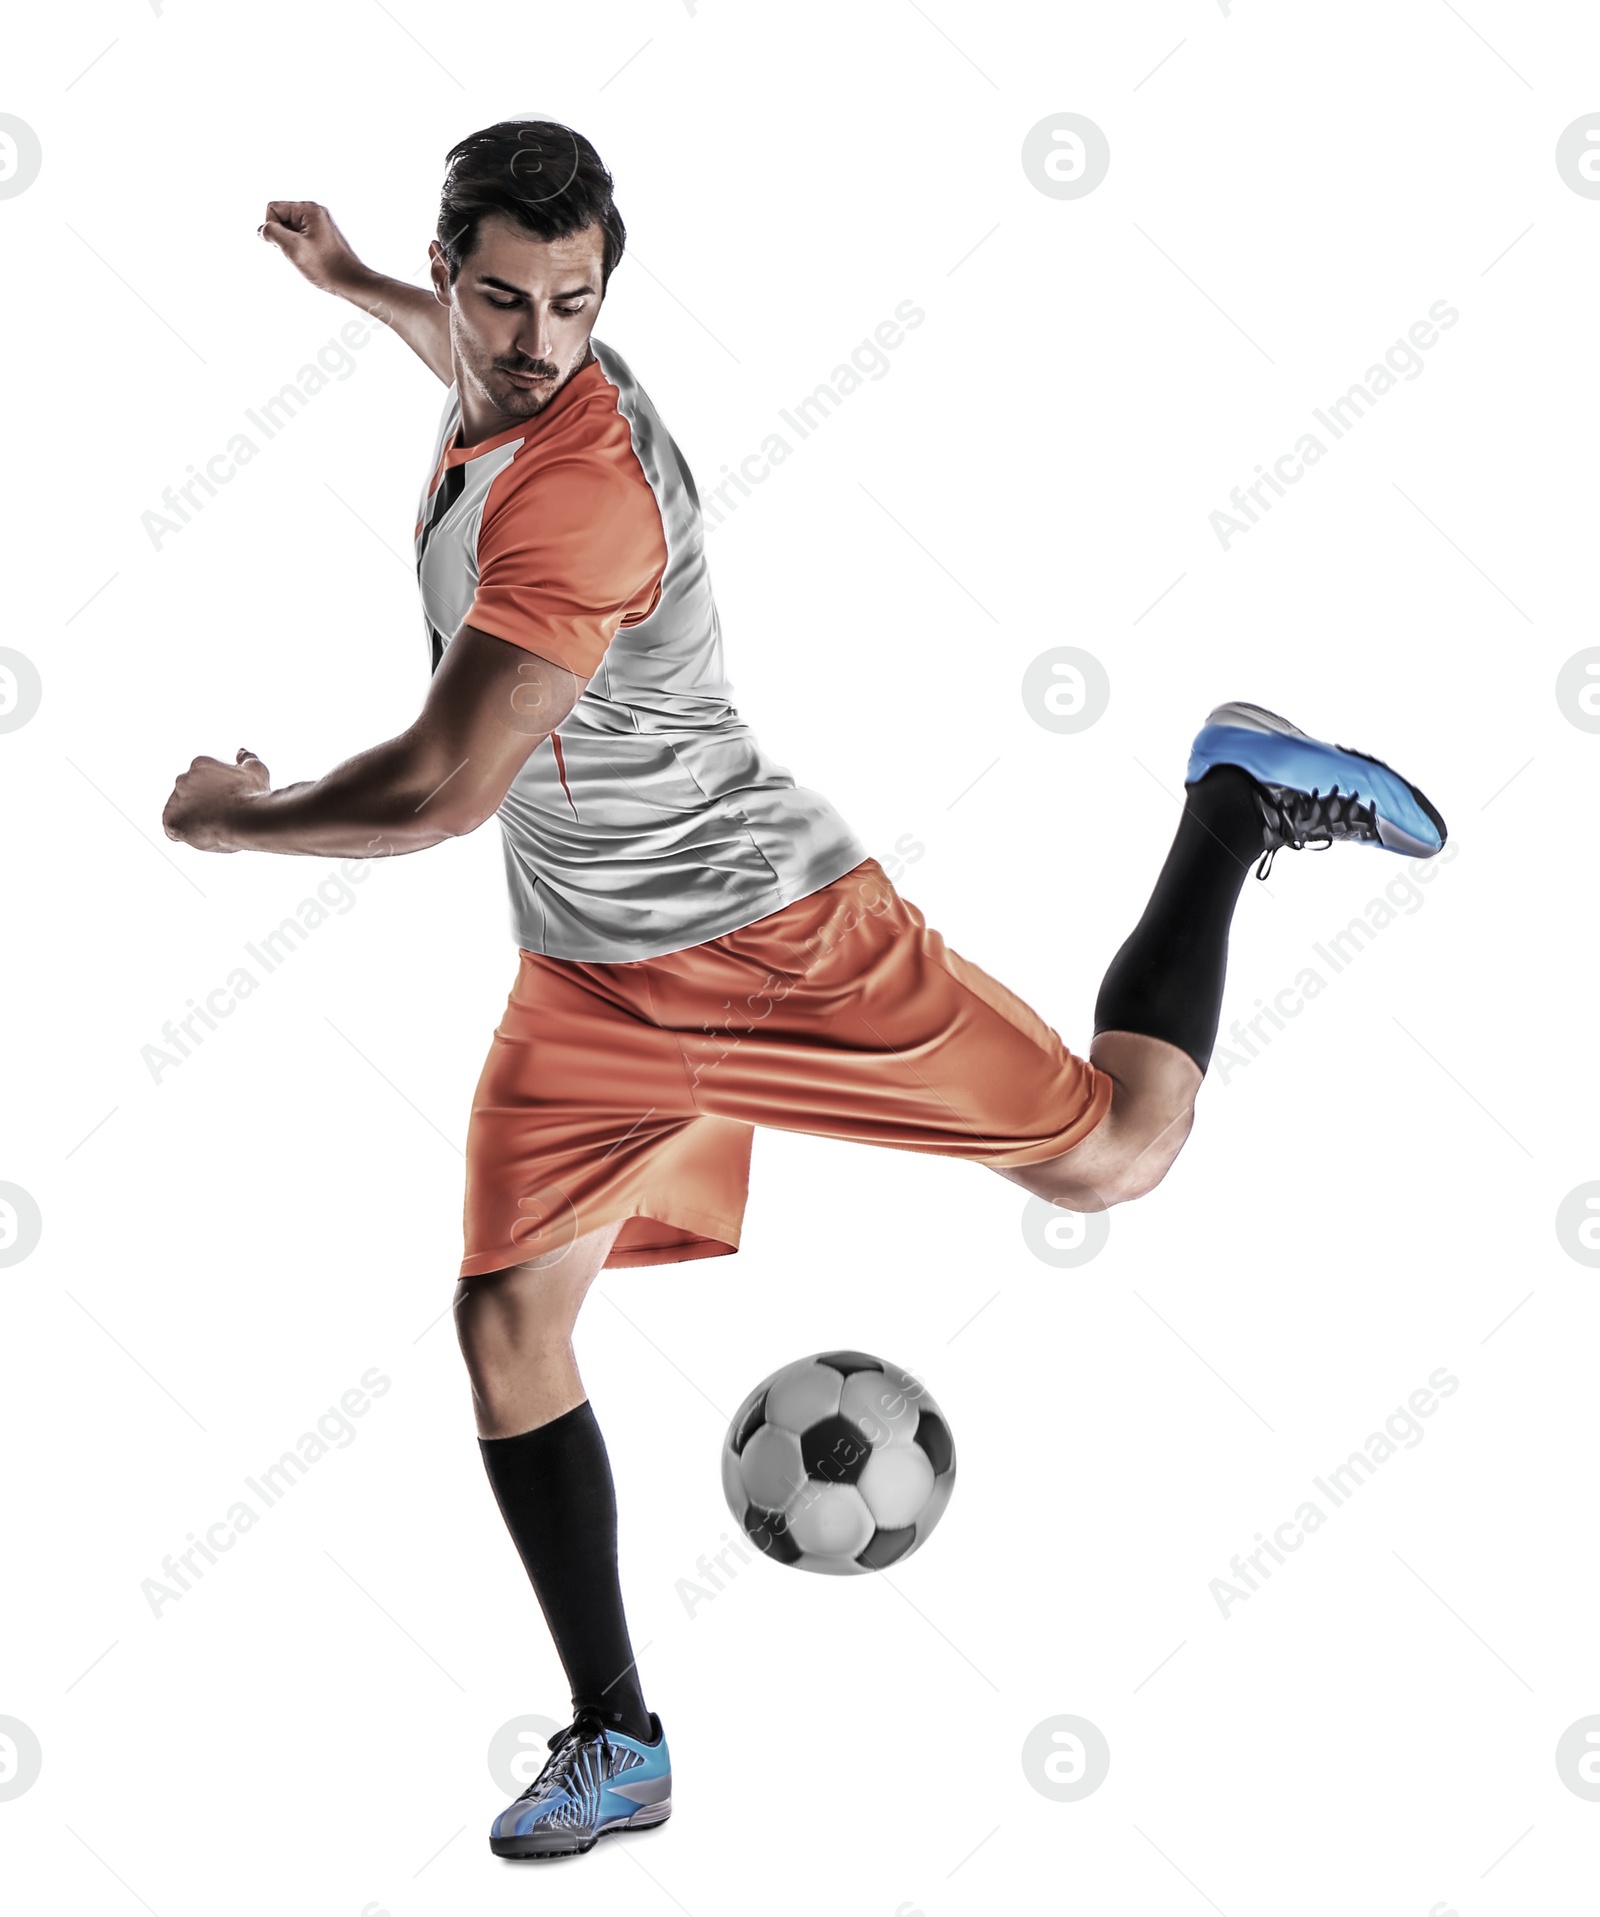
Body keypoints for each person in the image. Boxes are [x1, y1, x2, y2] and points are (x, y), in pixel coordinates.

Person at [161, 120, 1448, 1861]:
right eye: (498, 297)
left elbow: (439, 791)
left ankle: (1231, 800)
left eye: (571, 303)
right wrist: (352, 291)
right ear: (459, 273)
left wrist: (232, 820)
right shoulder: (489, 369)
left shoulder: (585, 490)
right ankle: (618, 1740)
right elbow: (455, 359)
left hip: (769, 940)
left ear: (603, 293)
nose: (535, 336)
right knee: (504, 1327)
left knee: (1114, 1154)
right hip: (593, 981)